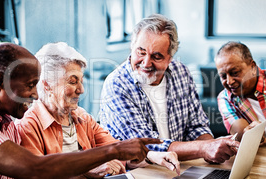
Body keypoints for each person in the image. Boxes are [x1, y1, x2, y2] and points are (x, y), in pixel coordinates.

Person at [0, 42, 163, 178]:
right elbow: (35, 169)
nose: (36, 95)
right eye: (30, 86)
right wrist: (113, 152)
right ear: (0, 82)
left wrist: (145, 155)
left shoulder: (7, 121)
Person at [16, 42, 180, 178]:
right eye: (73, 82)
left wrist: (153, 157)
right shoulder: (28, 126)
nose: (81, 90)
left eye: (81, 81)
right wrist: (86, 169)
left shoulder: (82, 117)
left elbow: (120, 151)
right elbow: (37, 175)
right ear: (47, 85)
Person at [99, 14, 239, 164]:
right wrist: (204, 148)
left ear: (170, 58)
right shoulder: (116, 85)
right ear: (131, 48)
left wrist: (213, 148)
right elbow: (145, 146)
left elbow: (196, 126)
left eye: (156, 56)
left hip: (177, 168)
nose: (146, 63)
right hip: (137, 172)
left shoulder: (181, 73)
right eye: (141, 52)